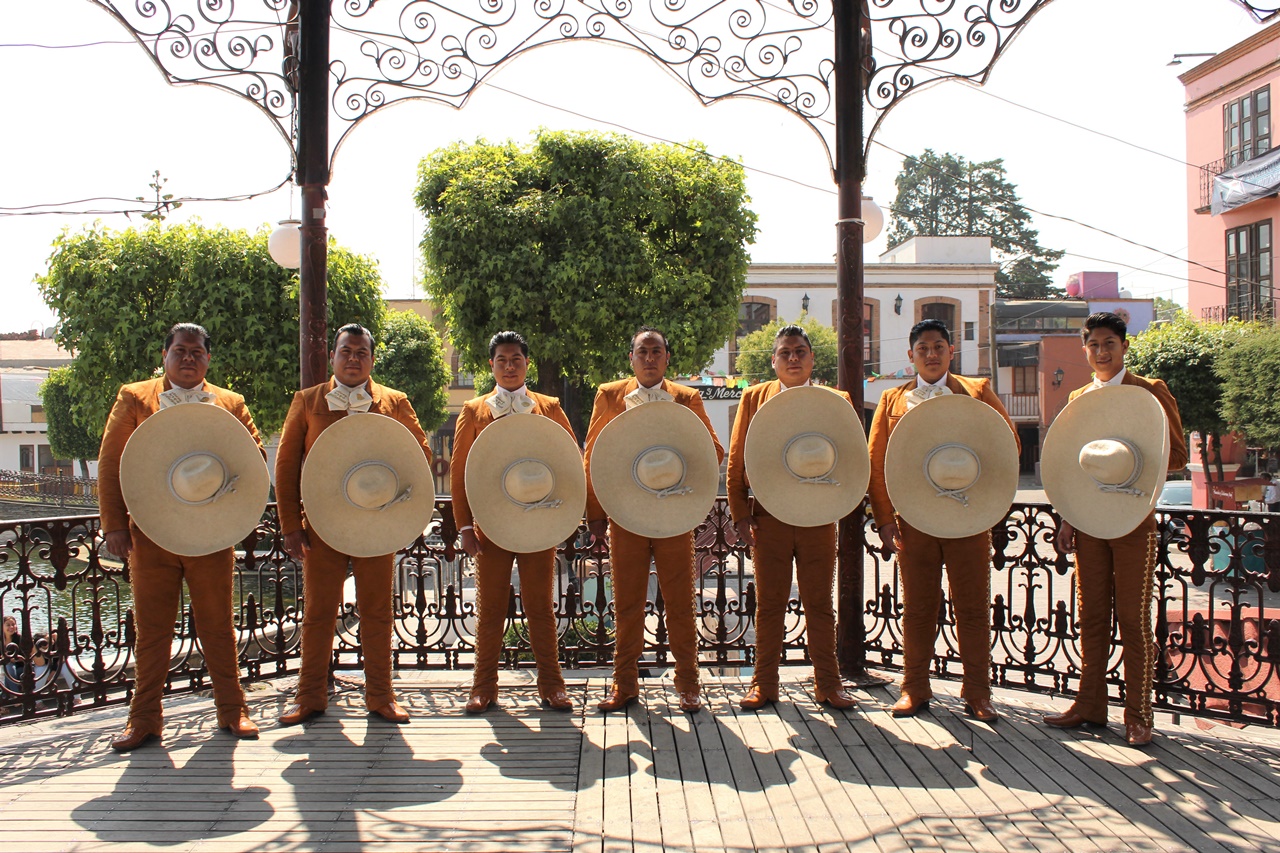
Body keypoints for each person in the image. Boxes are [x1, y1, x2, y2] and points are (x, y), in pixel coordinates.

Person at [97, 322, 266, 751]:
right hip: (151, 533)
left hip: (211, 532)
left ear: (208, 359)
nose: (188, 358)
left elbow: (255, 457)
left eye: (197, 351)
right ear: (165, 354)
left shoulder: (230, 402)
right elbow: (110, 462)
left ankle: (233, 710)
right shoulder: (134, 396)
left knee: (218, 626)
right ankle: (144, 721)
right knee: (152, 630)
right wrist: (114, 525)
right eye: (180, 350)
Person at [275, 323, 432, 727]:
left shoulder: (394, 402)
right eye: (346, 351)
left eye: (361, 352)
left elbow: (421, 454)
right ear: (333, 356)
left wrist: (398, 501)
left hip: (376, 522)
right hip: (322, 526)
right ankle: (309, 696)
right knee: (318, 611)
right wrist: (291, 524)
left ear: (372, 359)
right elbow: (287, 465)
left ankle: (381, 695)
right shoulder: (308, 401)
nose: (353, 358)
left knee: (378, 611)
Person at [1046, 311, 1187, 747]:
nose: (1102, 351)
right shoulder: (1079, 397)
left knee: (1132, 618)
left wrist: (1133, 459)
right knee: (1090, 617)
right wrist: (1068, 517)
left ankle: (1138, 714)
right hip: (1088, 520)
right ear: (1084, 351)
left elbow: (1178, 456)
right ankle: (1090, 704)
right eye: (1094, 345)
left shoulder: (1149, 391)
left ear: (1124, 346)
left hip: (1132, 520)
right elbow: (1072, 466)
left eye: (1110, 343)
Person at [868, 318, 1018, 723]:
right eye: (923, 348)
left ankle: (977, 693)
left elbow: (1009, 446)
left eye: (938, 347)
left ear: (952, 352)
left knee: (971, 608)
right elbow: (876, 463)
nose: (931, 355)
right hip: (913, 519)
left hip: (968, 517)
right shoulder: (892, 400)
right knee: (917, 608)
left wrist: (989, 500)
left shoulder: (978, 391)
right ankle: (913, 688)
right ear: (911, 355)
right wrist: (884, 519)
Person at [584, 327, 724, 714]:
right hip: (625, 512)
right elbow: (592, 454)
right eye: (642, 351)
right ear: (631, 357)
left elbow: (713, 450)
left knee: (680, 601)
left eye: (656, 351)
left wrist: (676, 448)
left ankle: (688, 684)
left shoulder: (687, 397)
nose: (649, 358)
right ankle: (624, 685)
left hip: (673, 513)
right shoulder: (609, 395)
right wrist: (595, 514)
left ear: (667, 358)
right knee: (626, 602)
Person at [726, 325, 859, 710]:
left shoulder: (837, 400)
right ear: (774, 360)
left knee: (819, 602)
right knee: (769, 603)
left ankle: (828, 685)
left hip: (819, 514)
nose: (793, 359)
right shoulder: (753, 398)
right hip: (769, 516)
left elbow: (852, 453)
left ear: (812, 357)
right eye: (785, 353)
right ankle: (763, 683)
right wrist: (739, 512)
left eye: (800, 351)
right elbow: (738, 458)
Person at [452, 331, 579, 714]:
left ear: (527, 364)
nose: (510, 366)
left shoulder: (549, 406)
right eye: (502, 360)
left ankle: (552, 686)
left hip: (539, 520)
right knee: (490, 606)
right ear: (491, 365)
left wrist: (567, 516)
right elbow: (459, 473)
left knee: (541, 605)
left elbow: (569, 461)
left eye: (517, 359)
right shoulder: (473, 410)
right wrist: (463, 526)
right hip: (490, 523)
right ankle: (483, 687)